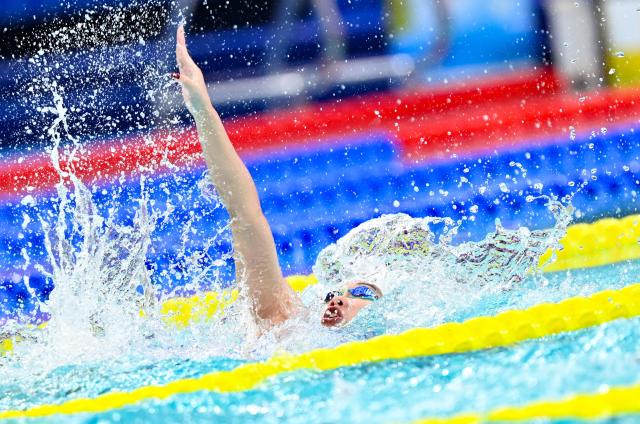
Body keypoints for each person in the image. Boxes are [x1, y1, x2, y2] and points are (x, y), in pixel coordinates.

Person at [173, 26, 382, 330]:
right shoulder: (285, 322)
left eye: (359, 294)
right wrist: (203, 110)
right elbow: (244, 212)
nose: (337, 299)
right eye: (335, 293)